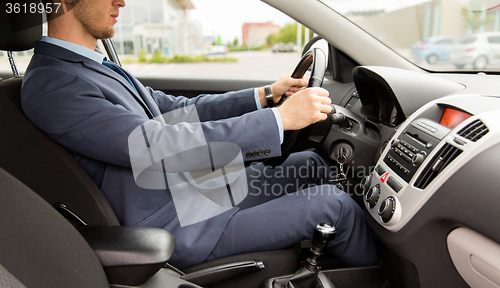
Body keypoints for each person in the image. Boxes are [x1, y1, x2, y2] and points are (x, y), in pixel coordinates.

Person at [21, 0, 379, 269]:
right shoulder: (53, 85)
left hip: (193, 194)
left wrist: (266, 95)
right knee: (334, 206)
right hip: (177, 224)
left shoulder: (88, 66)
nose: (122, 1)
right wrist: (278, 120)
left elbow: (173, 111)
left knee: (312, 164)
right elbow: (153, 147)